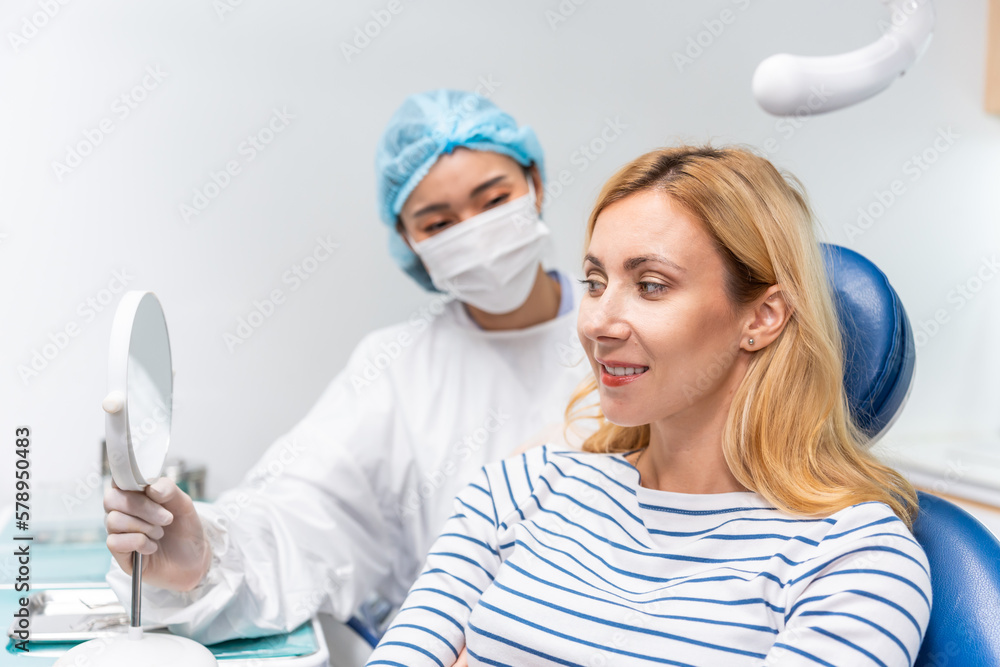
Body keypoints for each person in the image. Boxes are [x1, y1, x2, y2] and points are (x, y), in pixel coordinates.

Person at [364, 146, 932, 666]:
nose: (596, 323)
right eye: (594, 281)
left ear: (762, 317)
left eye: (652, 285)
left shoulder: (851, 558)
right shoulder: (519, 491)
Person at [102, 89, 591, 645]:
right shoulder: (396, 369)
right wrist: (204, 558)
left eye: (494, 199)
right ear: (409, 241)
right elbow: (303, 516)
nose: (474, 232)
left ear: (536, 184)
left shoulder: (628, 340)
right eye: (438, 223)